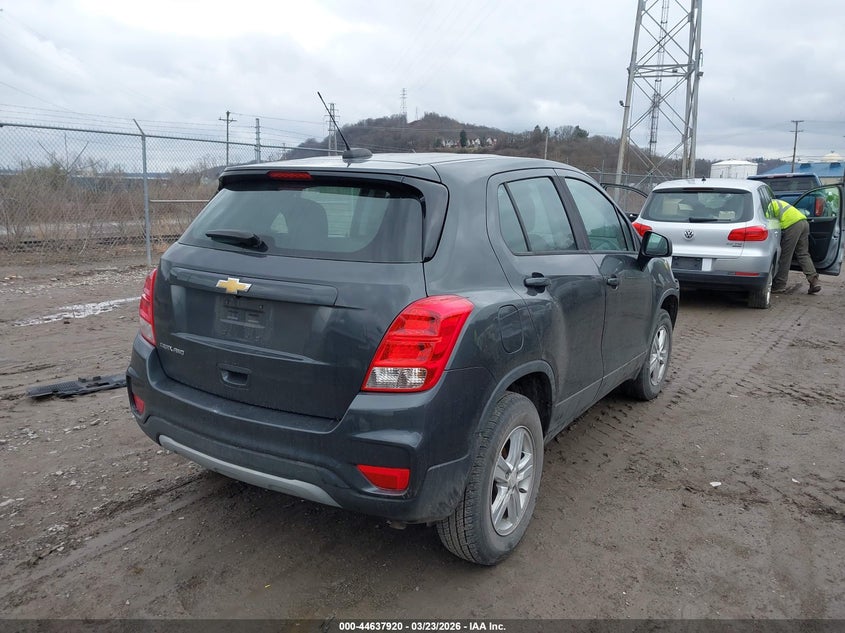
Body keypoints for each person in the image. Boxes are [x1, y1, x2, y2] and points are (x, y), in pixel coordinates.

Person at [769, 199, 821, 294]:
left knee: (785, 256)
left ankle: (779, 286)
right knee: (803, 254)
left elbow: (768, 224)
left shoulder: (766, 206)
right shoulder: (775, 202)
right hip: (803, 222)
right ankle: (814, 281)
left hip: (792, 225)